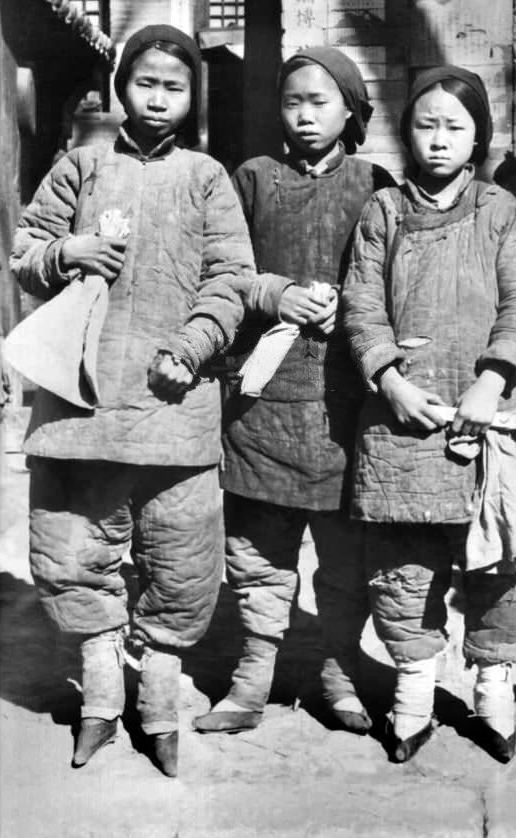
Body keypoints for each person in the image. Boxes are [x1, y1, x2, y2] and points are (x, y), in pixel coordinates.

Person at [9, 24, 280, 778]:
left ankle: (158, 706)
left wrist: (191, 347)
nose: (156, 98)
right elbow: (26, 249)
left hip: (174, 404)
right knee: (69, 550)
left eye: (173, 85)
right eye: (144, 82)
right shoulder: (81, 166)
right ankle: (99, 699)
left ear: (192, 97)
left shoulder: (206, 177)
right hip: (80, 405)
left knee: (183, 557)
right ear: (120, 87)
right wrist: (67, 253)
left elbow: (230, 278)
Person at [341, 66, 516, 764]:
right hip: (403, 418)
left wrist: (493, 382)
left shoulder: (500, 209)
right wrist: (387, 379)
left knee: (504, 563)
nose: (437, 140)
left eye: (454, 126)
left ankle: (492, 689)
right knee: (402, 566)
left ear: (477, 137)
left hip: (488, 415)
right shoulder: (381, 212)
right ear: (406, 132)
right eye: (425, 124)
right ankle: (413, 690)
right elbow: (360, 304)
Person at [178, 47, 395, 736]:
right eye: (292, 100)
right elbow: (223, 273)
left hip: (343, 405)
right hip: (260, 401)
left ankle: (337, 672)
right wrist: (277, 298)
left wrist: (354, 308)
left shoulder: (374, 184)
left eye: (320, 101)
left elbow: (397, 280)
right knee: (257, 553)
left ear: (351, 111)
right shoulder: (251, 180)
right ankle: (251, 680)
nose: (304, 114)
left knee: (342, 558)